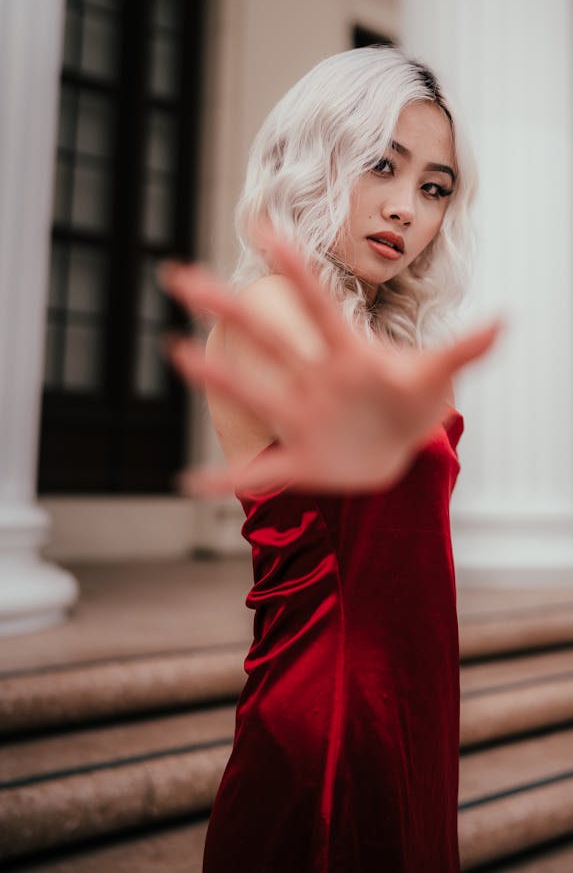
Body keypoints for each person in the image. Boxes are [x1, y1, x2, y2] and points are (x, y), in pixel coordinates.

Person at [159, 46, 502, 872]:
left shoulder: (384, 328)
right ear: (319, 157)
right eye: (381, 165)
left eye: (433, 187)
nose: (406, 209)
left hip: (409, 703)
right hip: (332, 716)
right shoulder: (273, 307)